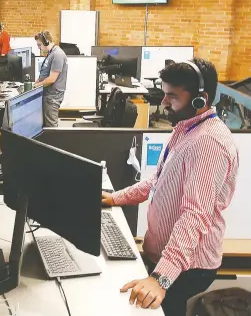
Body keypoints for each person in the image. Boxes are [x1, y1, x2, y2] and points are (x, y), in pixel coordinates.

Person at [102, 58, 239, 316]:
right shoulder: (187, 129)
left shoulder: (208, 143)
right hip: (167, 258)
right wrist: (115, 198)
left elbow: (195, 217)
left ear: (201, 99)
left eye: (172, 97)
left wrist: (161, 278)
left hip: (187, 267)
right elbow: (157, 182)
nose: (164, 103)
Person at [33, 31, 68, 127]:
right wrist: (35, 83)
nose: (38, 47)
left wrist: (35, 86)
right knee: (46, 126)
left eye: (39, 44)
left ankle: (54, 143)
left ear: (47, 41)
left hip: (52, 97)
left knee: (51, 128)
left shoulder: (57, 54)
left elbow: (52, 79)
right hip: (48, 95)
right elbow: (44, 73)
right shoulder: (51, 53)